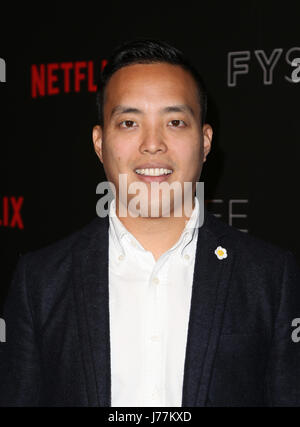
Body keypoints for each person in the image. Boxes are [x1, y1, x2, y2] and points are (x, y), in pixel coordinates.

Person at [0, 39, 299, 407]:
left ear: (205, 141)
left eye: (174, 122)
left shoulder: (270, 277)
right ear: (99, 142)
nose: (152, 144)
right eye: (129, 123)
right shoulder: (40, 281)